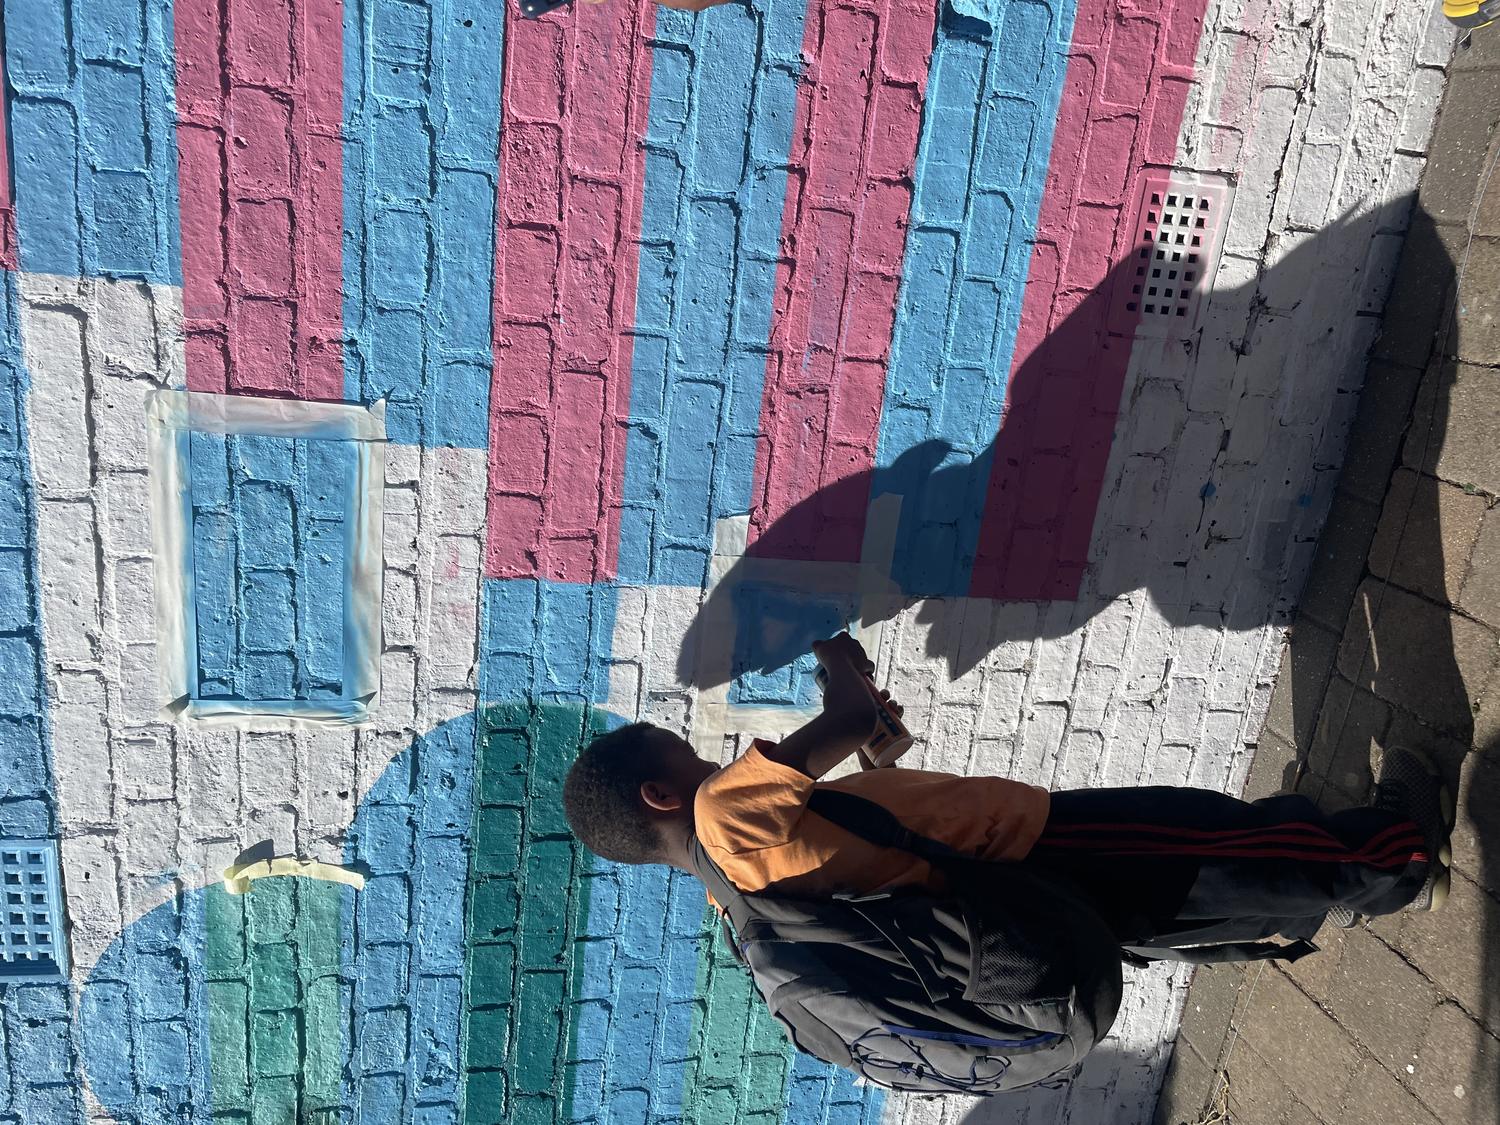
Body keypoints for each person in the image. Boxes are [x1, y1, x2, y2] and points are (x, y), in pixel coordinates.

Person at [562, 632, 1450, 959]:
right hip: (1041, 847)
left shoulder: (731, 899)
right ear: (659, 792)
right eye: (690, 757)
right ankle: (1400, 853)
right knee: (1219, 844)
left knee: (1202, 889)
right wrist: (826, 639)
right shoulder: (723, 811)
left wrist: (879, 759)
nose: (713, 762)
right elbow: (850, 708)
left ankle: (1358, 879)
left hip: (1023, 904)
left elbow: (873, 856)